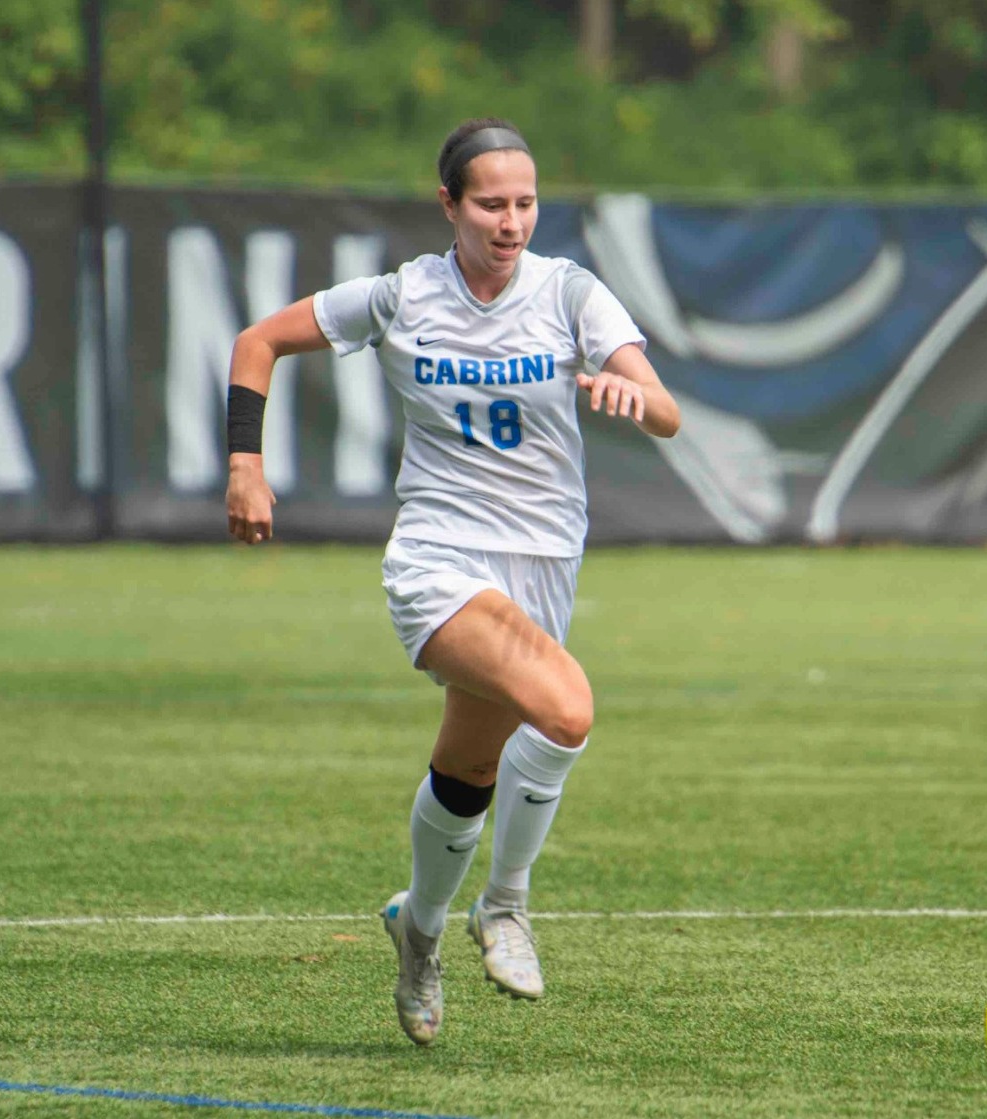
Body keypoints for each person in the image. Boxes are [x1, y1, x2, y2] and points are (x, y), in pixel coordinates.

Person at [222, 118, 680, 1047]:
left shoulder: (569, 293)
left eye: (525, 204)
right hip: (438, 557)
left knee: (471, 766)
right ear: (448, 205)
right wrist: (244, 465)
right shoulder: (401, 297)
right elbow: (256, 342)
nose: (511, 222)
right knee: (567, 710)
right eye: (490, 204)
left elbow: (665, 409)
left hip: (542, 560)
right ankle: (503, 906)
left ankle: (418, 929)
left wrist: (636, 397)